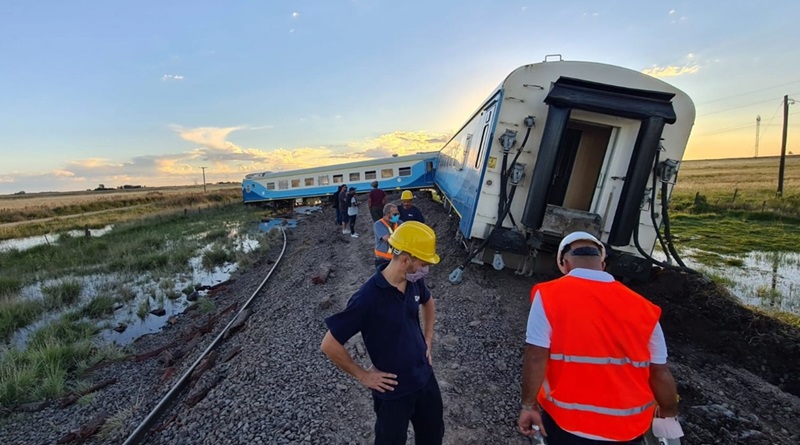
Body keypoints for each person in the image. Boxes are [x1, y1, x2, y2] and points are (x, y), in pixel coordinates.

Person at [517, 231, 679, 444]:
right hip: (628, 429)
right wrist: (668, 412)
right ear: (602, 265)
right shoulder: (644, 308)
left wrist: (528, 406)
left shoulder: (549, 295)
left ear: (565, 265)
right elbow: (660, 372)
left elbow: (536, 357)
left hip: (568, 424)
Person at [321, 221, 444, 445]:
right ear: (406, 260)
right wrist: (363, 375)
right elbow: (329, 344)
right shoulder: (367, 299)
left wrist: (427, 339)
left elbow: (429, 302)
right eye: (424, 263)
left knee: (433, 437)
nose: (426, 269)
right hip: (393, 393)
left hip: (425, 379)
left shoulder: (413, 280)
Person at [373, 203, 400, 268]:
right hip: (382, 260)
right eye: (395, 214)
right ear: (387, 214)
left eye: (398, 213)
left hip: (396, 259)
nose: (397, 216)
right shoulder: (378, 224)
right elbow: (387, 238)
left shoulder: (399, 223)